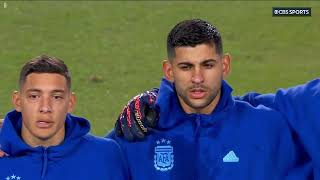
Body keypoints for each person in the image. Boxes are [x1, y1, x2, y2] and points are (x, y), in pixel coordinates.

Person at [108, 19, 311, 179]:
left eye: (208, 65)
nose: (197, 78)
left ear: (225, 65)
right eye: (186, 67)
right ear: (169, 71)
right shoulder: (135, 131)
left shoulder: (267, 129)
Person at [0, 55, 129, 180]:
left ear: (70, 103)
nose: (45, 108)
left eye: (56, 97)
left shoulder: (105, 155)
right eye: (34, 96)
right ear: (18, 101)